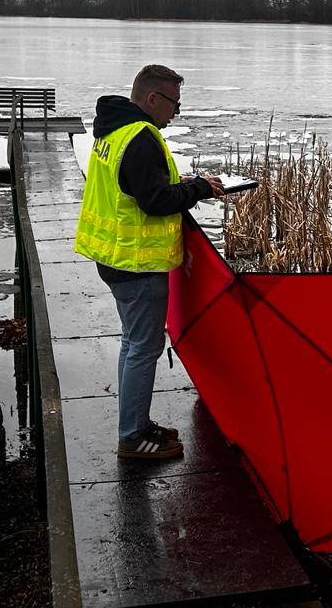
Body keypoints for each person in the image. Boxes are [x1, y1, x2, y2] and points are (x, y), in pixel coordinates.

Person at [73, 64, 224, 459]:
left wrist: (182, 183)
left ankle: (135, 423)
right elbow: (154, 201)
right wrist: (198, 189)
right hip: (137, 263)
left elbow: (136, 186)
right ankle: (132, 438)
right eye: (174, 102)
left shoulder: (113, 130)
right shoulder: (141, 137)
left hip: (112, 255)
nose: (177, 112)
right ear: (153, 98)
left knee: (132, 345)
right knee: (143, 348)